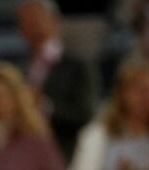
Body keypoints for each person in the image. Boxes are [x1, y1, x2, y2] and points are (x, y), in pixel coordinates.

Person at [16, 0, 99, 160]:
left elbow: (85, 114)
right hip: (26, 157)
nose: (29, 24)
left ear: (54, 21)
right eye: (23, 20)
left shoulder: (78, 66)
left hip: (64, 153)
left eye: (34, 17)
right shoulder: (18, 69)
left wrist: (43, 105)